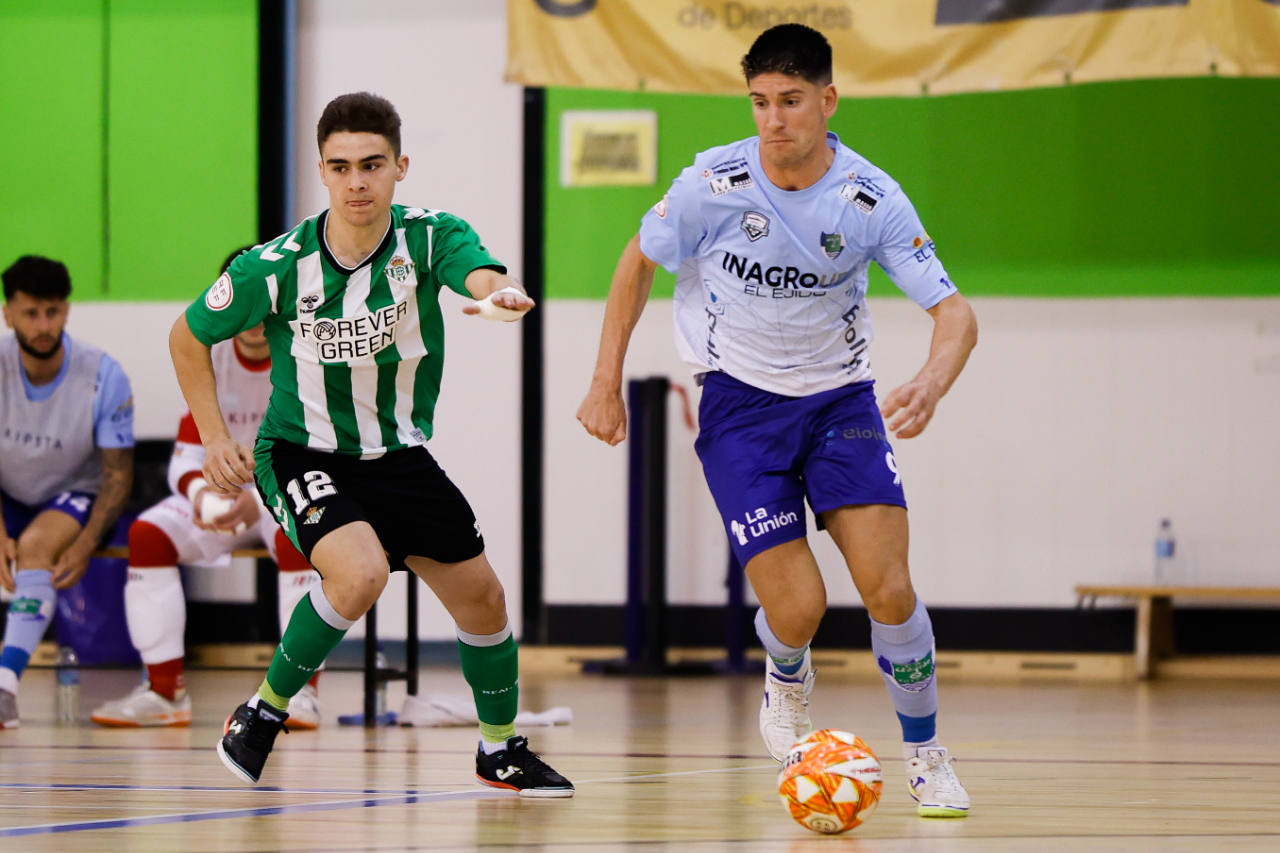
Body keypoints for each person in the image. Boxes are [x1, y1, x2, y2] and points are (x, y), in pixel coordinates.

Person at [576, 24, 978, 817]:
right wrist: (603, 381)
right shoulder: (712, 183)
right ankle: (787, 673)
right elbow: (637, 261)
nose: (773, 120)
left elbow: (955, 313)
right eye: (759, 102)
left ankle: (927, 754)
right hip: (740, 405)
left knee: (889, 587)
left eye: (791, 101)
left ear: (829, 101)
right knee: (797, 607)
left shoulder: (869, 197)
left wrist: (932, 382)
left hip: (840, 402)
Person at [169, 92, 573, 796]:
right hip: (301, 451)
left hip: (399, 455)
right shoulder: (275, 265)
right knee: (359, 576)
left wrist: (499, 292)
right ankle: (263, 710)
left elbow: (478, 272)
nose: (357, 181)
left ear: (399, 167)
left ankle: (500, 750)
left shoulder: (429, 237)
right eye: (341, 166)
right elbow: (186, 336)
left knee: (484, 599)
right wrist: (213, 437)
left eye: (372, 165)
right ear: (322, 171)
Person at [90, 249, 323, 730]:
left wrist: (255, 498)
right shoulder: (208, 356)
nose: (253, 317)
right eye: (242, 299)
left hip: (284, 494)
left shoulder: (306, 357)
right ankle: (164, 692)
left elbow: (320, 456)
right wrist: (201, 495)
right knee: (147, 535)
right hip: (222, 494)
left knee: (301, 535)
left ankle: (299, 694)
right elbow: (185, 455)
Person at [0, 255, 135, 728]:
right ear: (8, 314)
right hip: (7, 492)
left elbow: (117, 475)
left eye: (52, 312)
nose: (43, 326)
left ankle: (5, 688)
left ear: (67, 311)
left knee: (37, 547)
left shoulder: (103, 375)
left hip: (71, 493)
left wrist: (86, 541)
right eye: (31, 313)